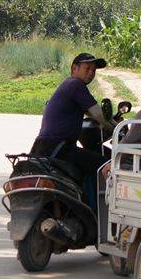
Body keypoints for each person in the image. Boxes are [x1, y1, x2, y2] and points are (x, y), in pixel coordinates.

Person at [31, 51, 112, 185]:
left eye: (94, 70)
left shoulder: (68, 85)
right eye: (87, 68)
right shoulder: (76, 85)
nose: (91, 72)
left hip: (44, 146)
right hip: (58, 147)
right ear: (74, 68)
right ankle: (104, 204)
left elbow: (93, 115)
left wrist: (111, 120)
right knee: (106, 164)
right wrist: (115, 128)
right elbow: (99, 114)